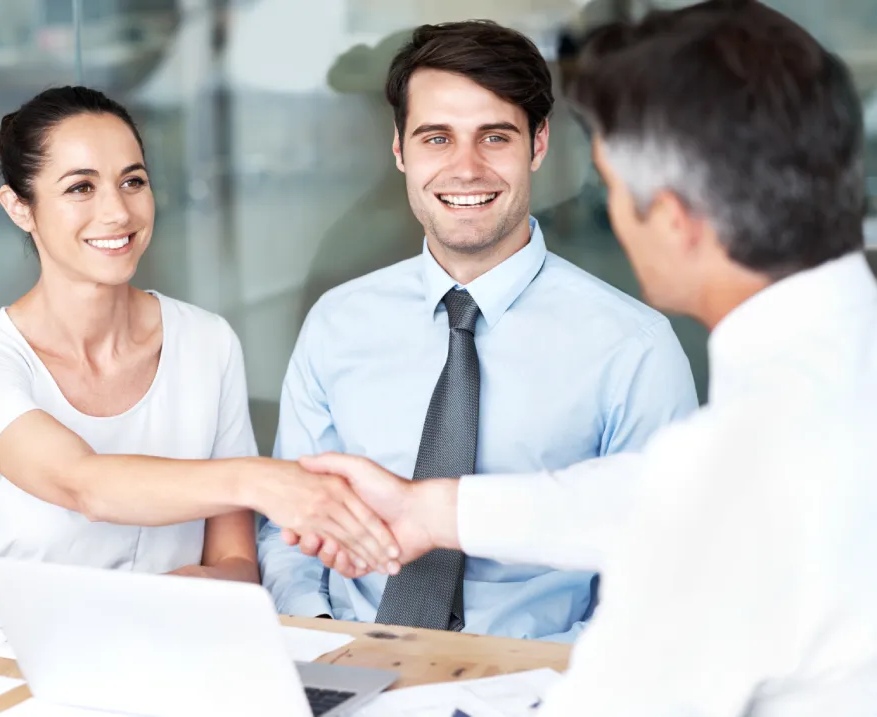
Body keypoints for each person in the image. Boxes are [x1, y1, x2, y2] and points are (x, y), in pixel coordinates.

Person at [292, 1, 877, 713]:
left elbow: (631, 667)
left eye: (613, 191)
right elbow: (642, 495)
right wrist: (438, 510)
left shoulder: (739, 453)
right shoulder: (822, 381)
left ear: (673, 220)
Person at [258, 20, 697, 640]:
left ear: (538, 145)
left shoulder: (633, 347)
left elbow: (663, 567)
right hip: (350, 657)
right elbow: (289, 529)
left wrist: (544, 676)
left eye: (494, 137)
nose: (465, 169)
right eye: (437, 138)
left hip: (546, 674)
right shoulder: (337, 322)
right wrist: (322, 633)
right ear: (400, 150)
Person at [0, 86, 398, 586]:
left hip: (169, 633)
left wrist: (180, 596)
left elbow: (236, 563)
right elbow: (85, 486)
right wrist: (263, 480)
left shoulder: (206, 342)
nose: (117, 212)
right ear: (19, 207)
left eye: (132, 181)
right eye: (81, 188)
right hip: (7, 636)